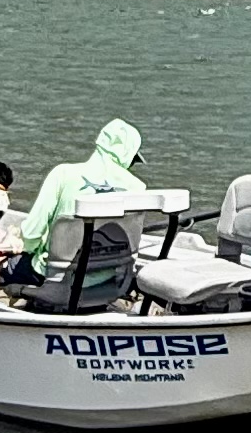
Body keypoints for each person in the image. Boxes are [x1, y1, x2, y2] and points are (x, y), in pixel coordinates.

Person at [9, 119, 150, 303]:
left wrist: (24, 249)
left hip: (56, 278)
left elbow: (31, 233)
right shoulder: (138, 187)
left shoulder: (63, 174)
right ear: (127, 156)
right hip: (108, 282)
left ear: (99, 143)